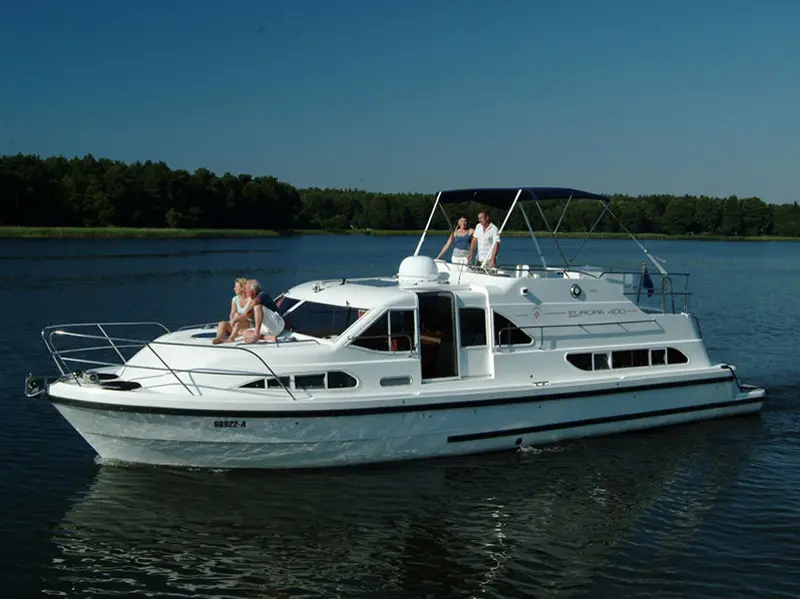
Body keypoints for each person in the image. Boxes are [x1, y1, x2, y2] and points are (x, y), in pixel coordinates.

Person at [236, 279, 285, 343]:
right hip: (269, 329)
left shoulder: (262, 294)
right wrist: (236, 319)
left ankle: (256, 334)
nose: (244, 291)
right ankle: (267, 337)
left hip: (277, 323)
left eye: (246, 289)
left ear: (254, 291)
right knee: (243, 332)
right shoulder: (253, 299)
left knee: (257, 306)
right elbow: (247, 314)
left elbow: (251, 307)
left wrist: (238, 317)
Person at [212, 277, 252, 344]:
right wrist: (231, 321)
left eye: (236, 287)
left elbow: (247, 315)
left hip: (248, 325)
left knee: (238, 316)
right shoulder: (235, 299)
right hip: (236, 323)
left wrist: (235, 318)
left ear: (243, 288)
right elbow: (232, 313)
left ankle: (231, 338)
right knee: (222, 323)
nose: (234, 289)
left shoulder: (251, 300)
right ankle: (219, 338)